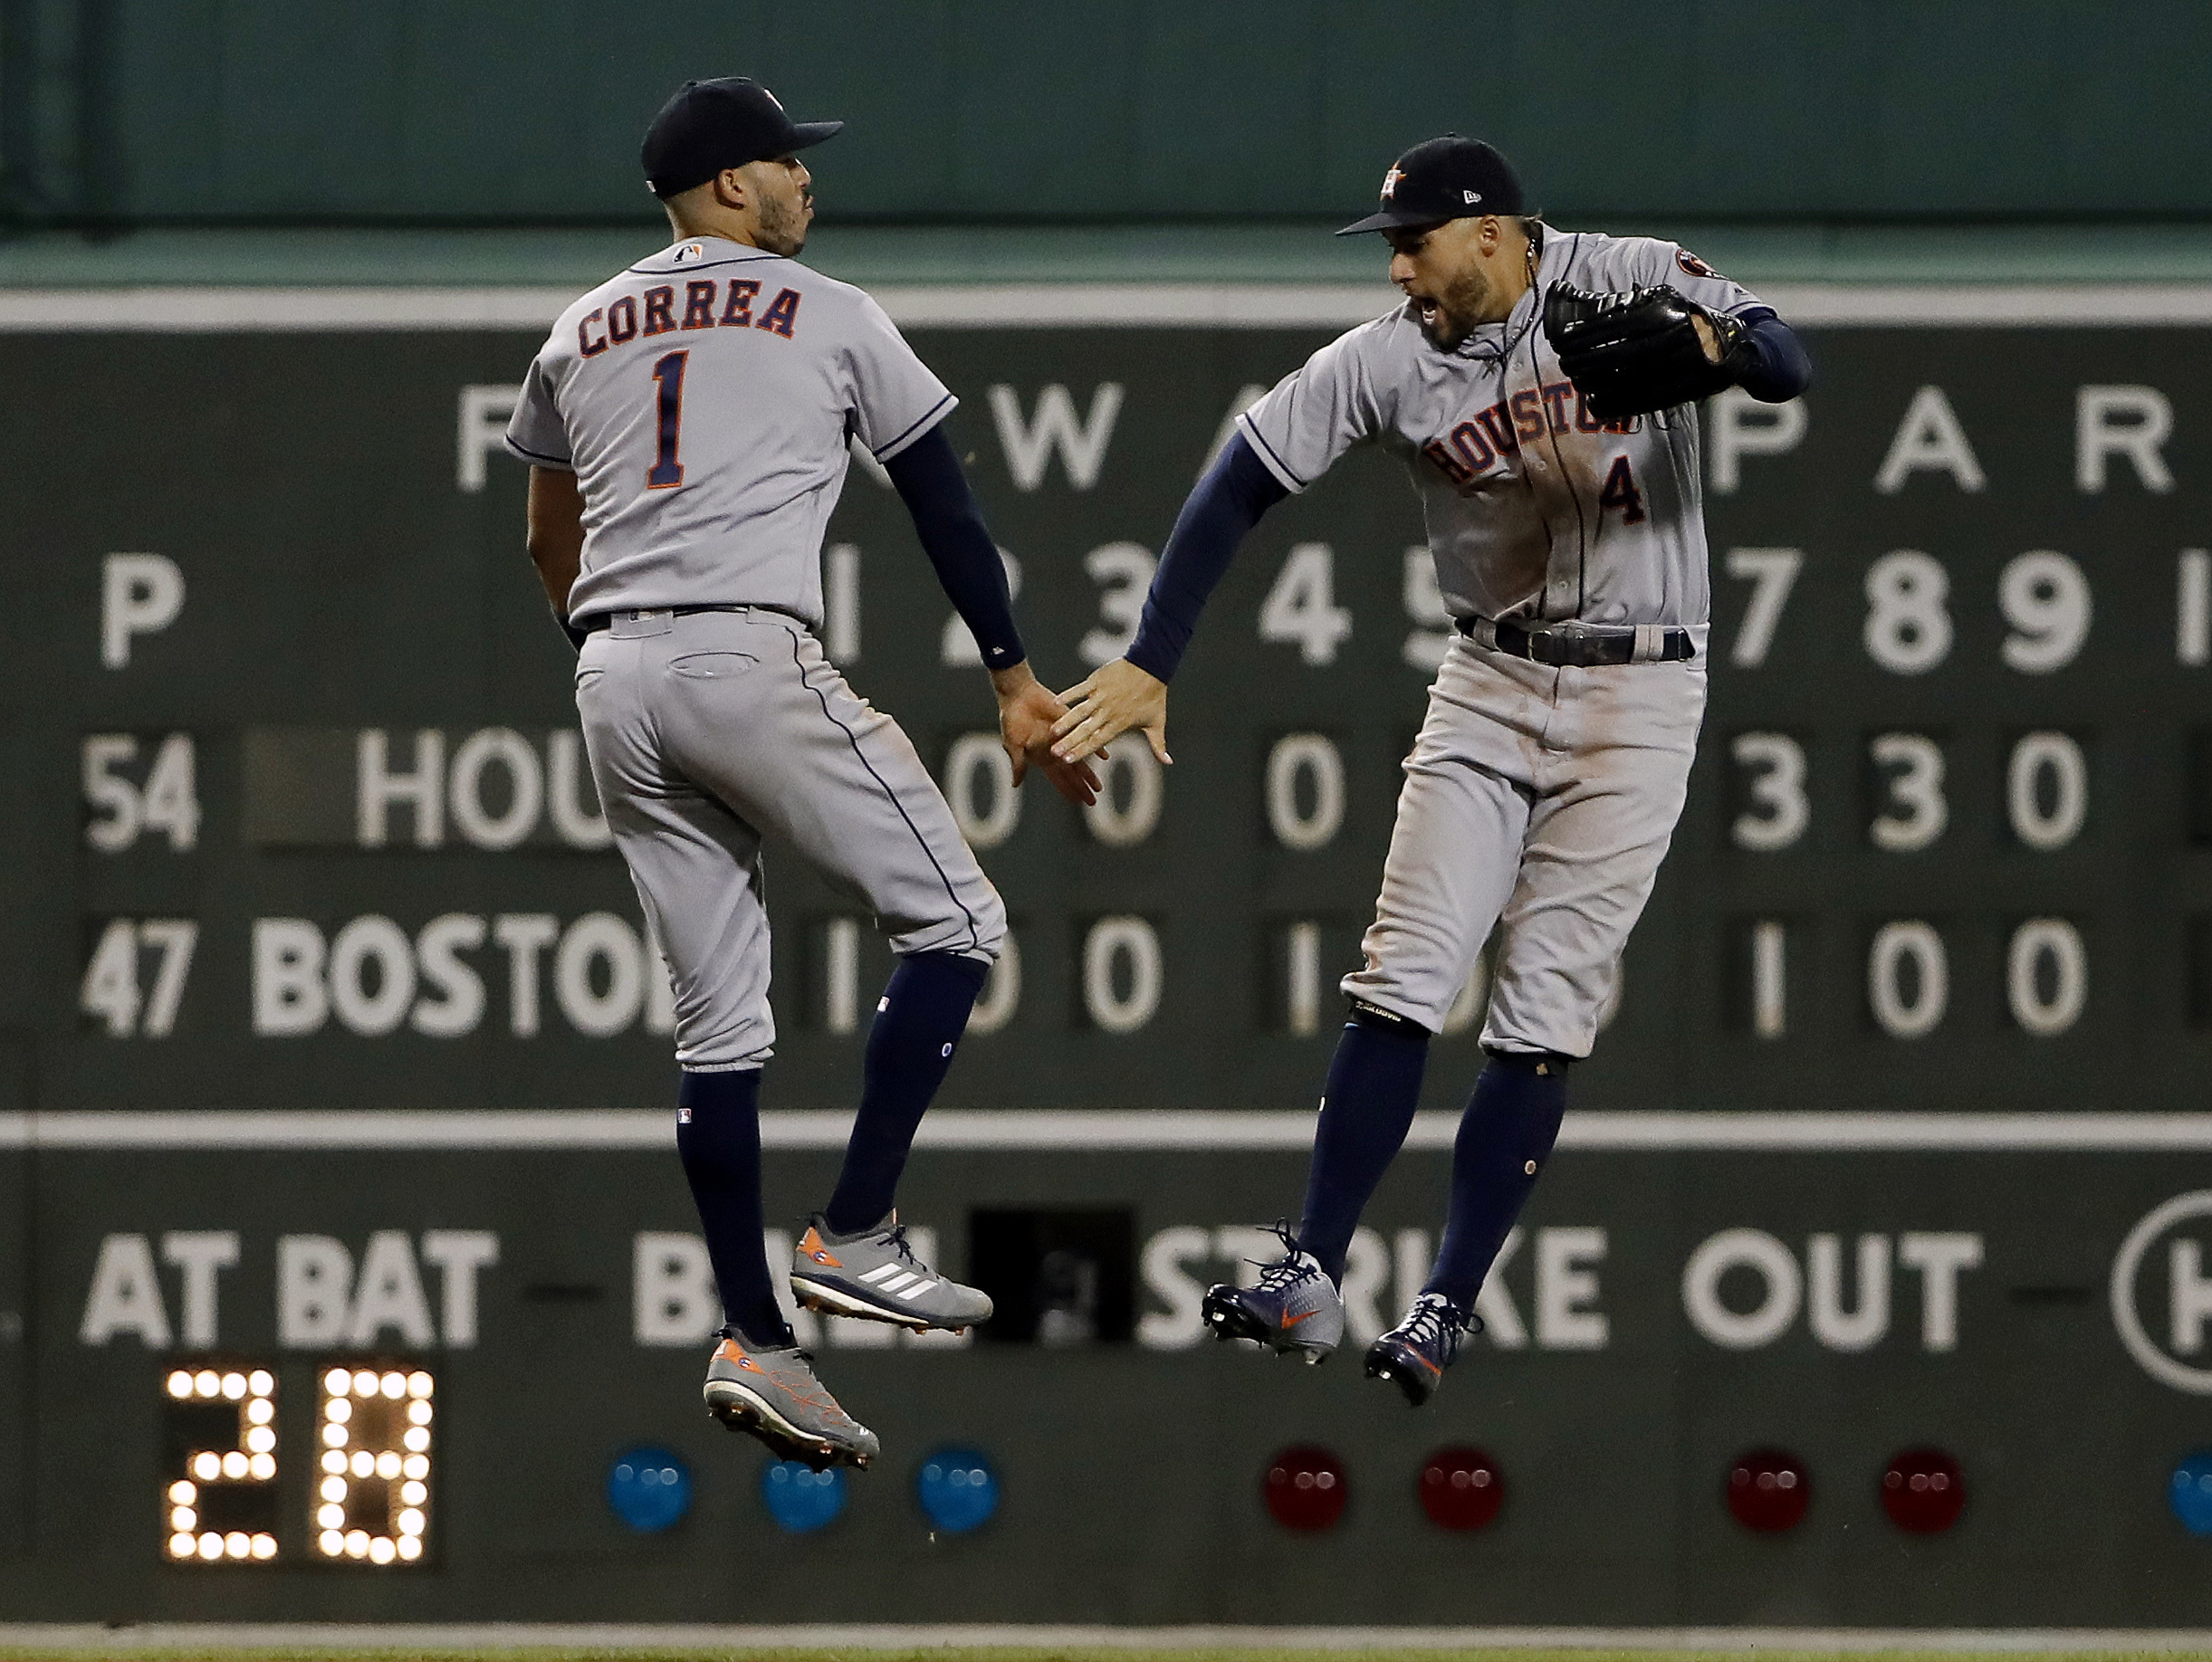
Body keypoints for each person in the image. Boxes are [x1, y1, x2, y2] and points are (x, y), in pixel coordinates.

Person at [1049, 135, 1810, 1406]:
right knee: (1403, 970)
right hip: (1492, 679)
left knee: (1547, 1009)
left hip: (1643, 687)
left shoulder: (1622, 276)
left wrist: (1719, 349)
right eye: (1393, 248)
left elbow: (1789, 359)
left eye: (1416, 243)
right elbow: (1239, 480)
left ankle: (1446, 1307)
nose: (1399, 268)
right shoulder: (1385, 360)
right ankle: (1310, 1269)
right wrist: (1152, 657)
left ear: (1496, 233)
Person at [504, 77, 1096, 1466]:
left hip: (611, 675)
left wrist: (615, 650)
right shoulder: (827, 309)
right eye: (781, 163)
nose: (802, 181)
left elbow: (545, 533)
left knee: (718, 1034)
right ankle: (857, 1231)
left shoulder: (579, 326)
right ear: (725, 188)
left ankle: (757, 1339)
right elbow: (940, 495)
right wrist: (1013, 676)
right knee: (957, 922)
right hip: (741, 655)